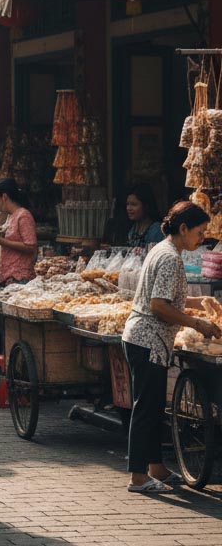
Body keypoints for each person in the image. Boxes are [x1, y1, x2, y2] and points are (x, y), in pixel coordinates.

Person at [122, 201, 221, 493]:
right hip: (147, 341)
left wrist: (199, 302)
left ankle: (157, 469)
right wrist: (196, 323)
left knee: (153, 407)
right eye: (200, 233)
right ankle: (138, 477)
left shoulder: (164, 250)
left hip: (146, 340)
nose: (202, 239)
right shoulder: (169, 258)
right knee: (146, 408)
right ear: (183, 229)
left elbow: (167, 298)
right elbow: (158, 305)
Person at [0, 178, 37, 285]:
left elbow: (31, 246)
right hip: (9, 275)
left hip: (19, 276)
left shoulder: (23, 215)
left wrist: (1, 241)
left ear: (4, 197)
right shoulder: (11, 216)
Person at [125, 184, 164, 248]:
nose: (128, 208)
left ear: (146, 206)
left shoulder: (156, 230)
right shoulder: (133, 230)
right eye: (127, 204)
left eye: (134, 204)